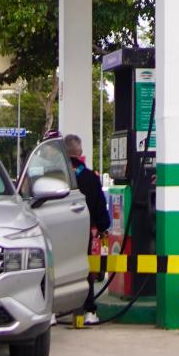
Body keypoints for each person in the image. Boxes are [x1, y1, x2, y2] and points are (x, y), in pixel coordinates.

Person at [63, 134, 110, 324]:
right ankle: (88, 310)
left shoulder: (56, 176)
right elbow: (99, 207)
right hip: (82, 231)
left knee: (54, 269)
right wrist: (103, 227)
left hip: (57, 229)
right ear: (80, 152)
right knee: (84, 269)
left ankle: (51, 313)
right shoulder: (90, 177)